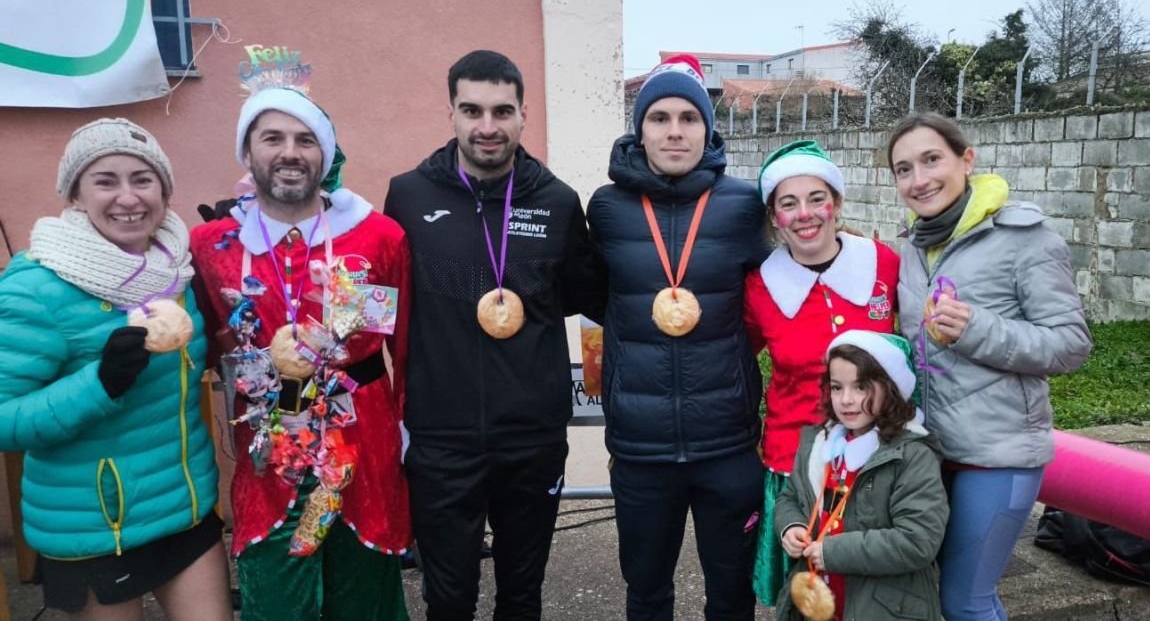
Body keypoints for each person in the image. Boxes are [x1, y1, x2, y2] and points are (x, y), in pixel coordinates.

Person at [382, 49, 605, 621]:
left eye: (502, 111)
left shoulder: (556, 202)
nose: (487, 127)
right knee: (448, 598)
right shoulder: (408, 196)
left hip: (531, 437)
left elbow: (588, 295)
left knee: (522, 596)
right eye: (472, 110)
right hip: (440, 437)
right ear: (451, 113)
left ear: (523, 115)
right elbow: (383, 299)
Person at [190, 79, 412, 620]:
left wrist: (409, 435)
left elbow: (404, 346)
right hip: (271, 453)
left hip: (364, 443)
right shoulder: (211, 246)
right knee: (276, 591)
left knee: (365, 593)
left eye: (305, 140)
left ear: (325, 154)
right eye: (272, 138)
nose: (289, 153)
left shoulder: (379, 238)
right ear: (248, 152)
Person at [0, 118, 230, 620]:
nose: (128, 197)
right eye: (106, 180)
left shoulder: (178, 270)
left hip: (184, 509)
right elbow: (4, 420)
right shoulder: (37, 286)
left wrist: (241, 242)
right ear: (76, 195)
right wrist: (98, 384)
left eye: (143, 179)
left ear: (164, 191)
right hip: (96, 526)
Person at [886, 112, 1092, 621]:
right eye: (904, 168)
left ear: (966, 160)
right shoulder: (910, 247)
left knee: (967, 602)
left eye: (932, 160)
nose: (920, 179)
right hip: (929, 453)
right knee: (926, 595)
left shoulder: (1027, 238)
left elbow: (1070, 344)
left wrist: (977, 328)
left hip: (998, 455)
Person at [587, 54, 767, 621]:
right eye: (659, 117)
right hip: (641, 447)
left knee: (732, 593)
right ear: (638, 130)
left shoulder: (743, 204)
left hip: (728, 443)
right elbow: (597, 300)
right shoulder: (608, 208)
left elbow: (774, 300)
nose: (674, 131)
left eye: (688, 118)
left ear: (707, 129)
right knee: (645, 593)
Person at [743, 140, 900, 605]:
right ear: (774, 218)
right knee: (807, 598)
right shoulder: (758, 287)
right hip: (795, 468)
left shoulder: (884, 264)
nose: (805, 213)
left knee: (873, 594)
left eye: (816, 198)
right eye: (788, 204)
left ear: (836, 203)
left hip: (881, 461)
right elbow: (738, 362)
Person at [774, 331, 948, 621]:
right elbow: (791, 495)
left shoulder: (912, 456)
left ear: (891, 388)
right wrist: (791, 526)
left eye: (861, 387)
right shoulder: (821, 444)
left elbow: (918, 541)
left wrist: (833, 552)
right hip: (821, 602)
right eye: (837, 387)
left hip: (884, 607)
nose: (846, 400)